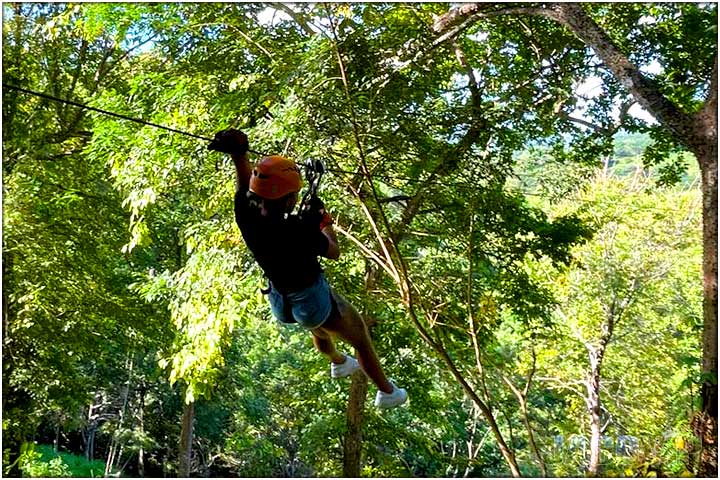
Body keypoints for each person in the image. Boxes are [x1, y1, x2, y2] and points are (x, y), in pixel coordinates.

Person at [208, 129, 407, 409]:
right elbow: (334, 251)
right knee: (359, 336)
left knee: (319, 330)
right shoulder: (300, 229)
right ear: (289, 199)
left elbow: (246, 187)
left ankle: (338, 364)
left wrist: (238, 155)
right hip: (310, 299)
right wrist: (324, 222)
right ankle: (388, 393)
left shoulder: (247, 214)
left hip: (279, 299)